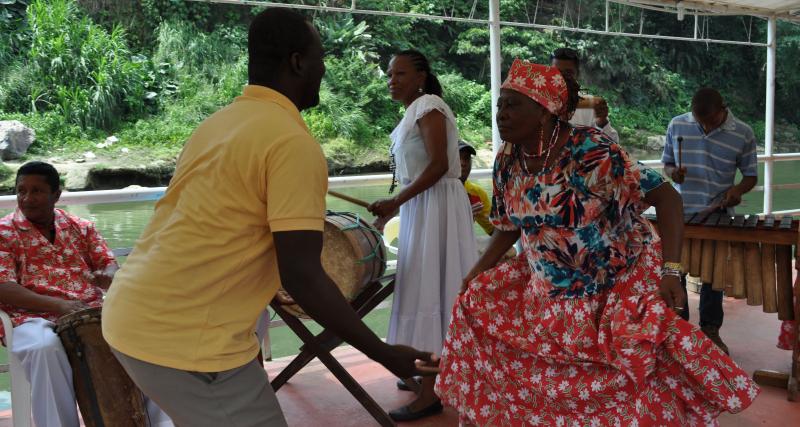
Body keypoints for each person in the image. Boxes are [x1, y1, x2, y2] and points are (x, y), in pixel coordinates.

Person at [102, 9, 434, 427]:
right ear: (297, 62)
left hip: (132, 313)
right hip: (184, 336)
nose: (324, 68)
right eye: (320, 56)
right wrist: (384, 353)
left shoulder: (219, 123)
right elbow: (302, 275)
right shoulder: (292, 143)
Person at [434, 59, 758, 426]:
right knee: (547, 381)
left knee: (636, 379)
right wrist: (475, 273)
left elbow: (667, 196)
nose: (501, 115)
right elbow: (510, 224)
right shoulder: (508, 161)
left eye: (512, 105)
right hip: (550, 295)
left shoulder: (592, 152)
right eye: (499, 106)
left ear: (544, 112)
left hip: (616, 288)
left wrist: (671, 270)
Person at [0, 161, 172, 427]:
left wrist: (109, 276)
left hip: (89, 312)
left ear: (56, 194)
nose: (27, 198)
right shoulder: (4, 232)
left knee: (143, 337)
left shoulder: (81, 227)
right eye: (21, 191)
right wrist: (59, 306)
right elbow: (4, 287)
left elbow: (109, 266)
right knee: (44, 348)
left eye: (36, 191)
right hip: (30, 318)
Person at [368, 49, 478, 421]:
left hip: (438, 208)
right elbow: (419, 175)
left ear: (420, 76)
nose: (391, 80)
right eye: (388, 74)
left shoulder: (430, 104)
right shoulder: (412, 111)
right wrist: (394, 208)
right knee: (421, 287)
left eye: (399, 73)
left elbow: (440, 166)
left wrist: (397, 200)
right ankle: (428, 367)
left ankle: (430, 392)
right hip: (424, 207)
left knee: (435, 289)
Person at [662, 87, 758, 354]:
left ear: (722, 109)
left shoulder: (743, 132)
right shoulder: (677, 124)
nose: (704, 125)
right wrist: (674, 173)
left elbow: (750, 176)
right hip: (680, 213)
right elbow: (667, 164)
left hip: (716, 214)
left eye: (711, 120)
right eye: (699, 120)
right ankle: (679, 333)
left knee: (713, 278)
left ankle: (710, 331)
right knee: (675, 273)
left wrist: (736, 191)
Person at [551, 47, 620, 143]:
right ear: (548, 73)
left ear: (577, 74)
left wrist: (602, 122)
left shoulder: (590, 104)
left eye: (569, 73)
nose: (562, 77)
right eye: (556, 72)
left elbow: (613, 144)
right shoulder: (536, 102)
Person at [459, 140, 493, 235]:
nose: (463, 163)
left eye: (466, 158)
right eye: (457, 158)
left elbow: (493, 229)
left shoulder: (476, 193)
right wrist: (463, 217)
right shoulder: (436, 191)